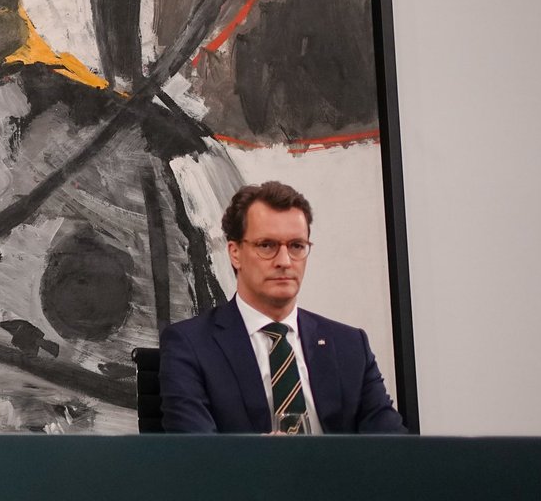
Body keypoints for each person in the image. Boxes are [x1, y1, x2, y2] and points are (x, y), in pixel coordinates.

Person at [158, 181, 405, 434]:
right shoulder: (190, 345)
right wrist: (269, 460)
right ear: (235, 253)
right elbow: (195, 455)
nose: (285, 261)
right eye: (267, 245)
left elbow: (394, 450)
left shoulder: (350, 345)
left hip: (338, 474)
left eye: (297, 246)